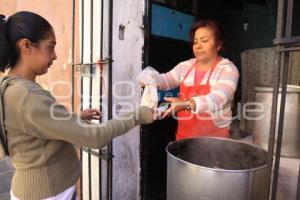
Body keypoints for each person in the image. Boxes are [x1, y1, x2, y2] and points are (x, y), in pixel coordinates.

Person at [0, 11, 154, 200]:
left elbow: (36, 126)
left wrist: (74, 118)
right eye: (50, 47)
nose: (55, 56)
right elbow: (94, 137)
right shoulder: (26, 95)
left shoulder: (12, 87)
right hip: (49, 194)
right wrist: (140, 114)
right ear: (26, 46)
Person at [138, 20, 239, 140]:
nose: (198, 46)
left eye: (204, 41)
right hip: (184, 139)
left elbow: (217, 99)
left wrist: (185, 105)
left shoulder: (228, 69)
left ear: (219, 45)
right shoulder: (185, 66)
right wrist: (151, 78)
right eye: (195, 42)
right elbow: (166, 81)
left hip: (215, 143)